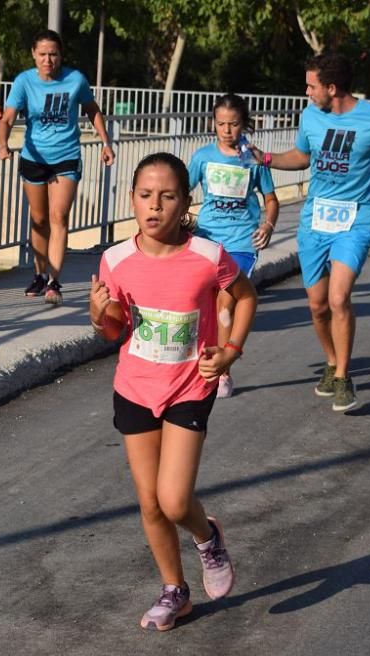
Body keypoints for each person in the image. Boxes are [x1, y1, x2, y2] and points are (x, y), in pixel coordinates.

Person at [89, 152, 257, 631]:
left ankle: (208, 538)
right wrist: (100, 314)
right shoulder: (115, 260)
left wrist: (230, 351)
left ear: (185, 203)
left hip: (189, 385)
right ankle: (174, 591)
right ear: (132, 200)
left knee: (176, 501)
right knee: (149, 502)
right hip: (136, 388)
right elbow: (114, 332)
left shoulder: (207, 257)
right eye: (145, 196)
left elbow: (246, 297)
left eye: (167, 197)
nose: (154, 206)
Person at [250, 51, 370, 412]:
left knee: (338, 298)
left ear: (332, 88)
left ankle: (344, 377)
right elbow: (302, 157)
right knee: (317, 306)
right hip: (314, 222)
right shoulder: (311, 116)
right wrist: (266, 158)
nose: (306, 92)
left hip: (356, 221)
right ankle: (332, 362)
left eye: (311, 86)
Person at [0, 30, 115, 306]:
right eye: (42, 54)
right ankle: (39, 274)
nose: (48, 59)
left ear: (61, 55)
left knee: (58, 216)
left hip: (66, 156)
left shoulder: (75, 80)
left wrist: (106, 143)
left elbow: (92, 110)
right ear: (33, 55)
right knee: (38, 220)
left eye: (53, 54)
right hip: (34, 157)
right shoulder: (24, 81)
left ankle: (53, 280)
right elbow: (7, 118)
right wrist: (2, 145)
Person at [187, 93, 279, 398]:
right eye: (221, 124)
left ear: (244, 124)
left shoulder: (253, 159)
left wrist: (268, 225)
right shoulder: (202, 157)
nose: (227, 130)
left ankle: (223, 373)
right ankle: (204, 362)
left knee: (226, 302)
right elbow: (180, 191)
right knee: (205, 305)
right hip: (207, 238)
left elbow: (271, 199)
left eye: (234, 124)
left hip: (241, 242)